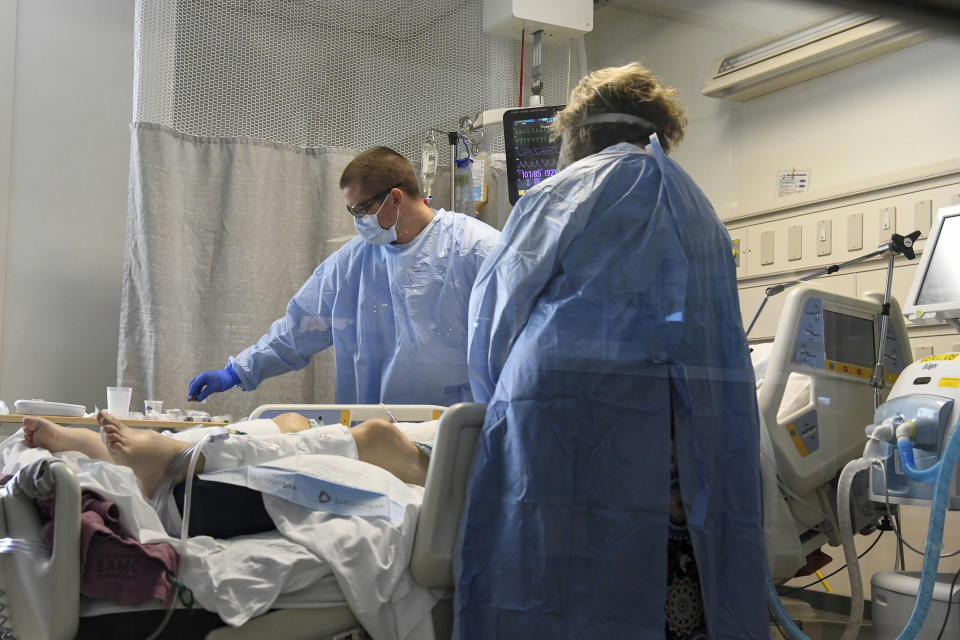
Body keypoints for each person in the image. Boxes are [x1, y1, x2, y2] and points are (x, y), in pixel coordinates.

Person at [456, 63, 767, 638]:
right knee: (671, 571)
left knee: (552, 573)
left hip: (559, 416)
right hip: (683, 426)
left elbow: (497, 314)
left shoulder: (561, 193)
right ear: (661, 130)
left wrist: (494, 406)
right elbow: (717, 331)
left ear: (576, 133)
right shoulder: (698, 210)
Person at [188, 146, 499, 407]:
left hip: (455, 433)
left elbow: (513, 337)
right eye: (353, 211)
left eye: (362, 209)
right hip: (374, 432)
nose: (358, 221)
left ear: (394, 198)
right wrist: (236, 371)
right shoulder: (356, 261)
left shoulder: (475, 248)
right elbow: (299, 327)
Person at [23, 411, 430, 538]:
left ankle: (178, 454)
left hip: (420, 457)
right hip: (426, 445)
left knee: (376, 434)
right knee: (289, 421)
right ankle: (158, 455)